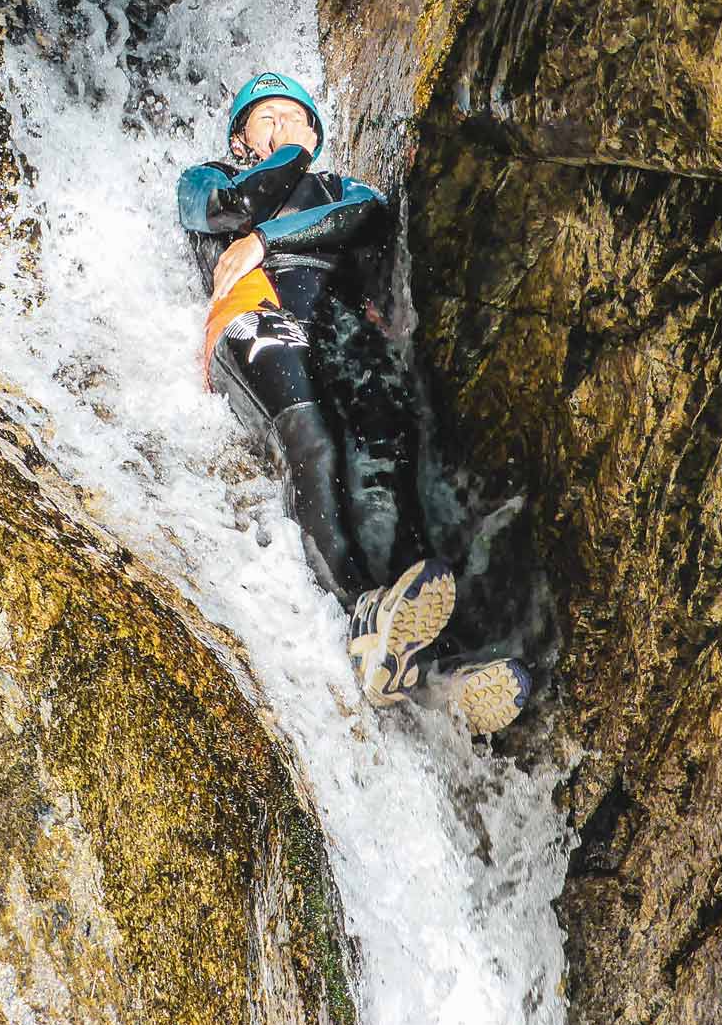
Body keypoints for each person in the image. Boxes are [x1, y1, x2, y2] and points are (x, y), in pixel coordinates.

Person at [177, 70, 532, 734]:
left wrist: (270, 239)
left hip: (335, 329)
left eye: (297, 119)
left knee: (385, 469)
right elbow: (227, 205)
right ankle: (361, 608)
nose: (284, 128)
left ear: (319, 133)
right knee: (312, 440)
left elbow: (368, 213)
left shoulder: (344, 193)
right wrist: (276, 182)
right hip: (256, 316)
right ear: (239, 135)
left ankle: (433, 669)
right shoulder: (208, 176)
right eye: (267, 119)